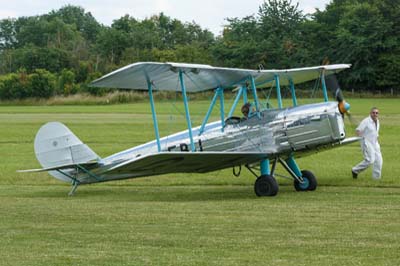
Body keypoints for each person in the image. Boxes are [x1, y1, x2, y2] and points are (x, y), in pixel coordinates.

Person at [352, 107, 382, 179]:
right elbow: (358, 131)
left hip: (375, 143)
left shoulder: (377, 121)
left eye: (376, 113)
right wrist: (362, 139)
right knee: (370, 160)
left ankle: (376, 179)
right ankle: (355, 170)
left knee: (379, 160)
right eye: (373, 113)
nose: (375, 114)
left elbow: (375, 133)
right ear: (370, 113)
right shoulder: (366, 121)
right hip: (367, 143)